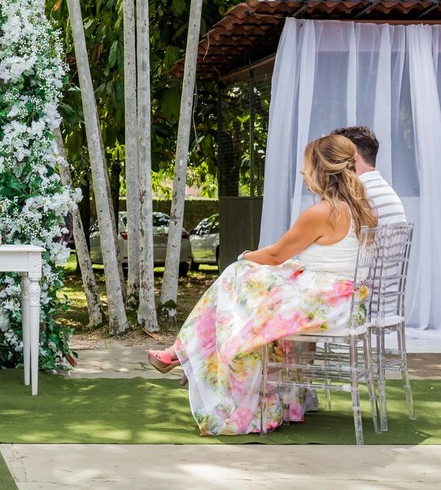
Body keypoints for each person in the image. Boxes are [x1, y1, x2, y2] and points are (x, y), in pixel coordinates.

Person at [146, 134, 378, 436]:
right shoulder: (361, 207)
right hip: (344, 301)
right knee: (250, 297)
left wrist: (244, 256)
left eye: (307, 164)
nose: (302, 171)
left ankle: (186, 351)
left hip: (328, 305)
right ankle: (185, 351)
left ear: (322, 169)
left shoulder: (323, 212)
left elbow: (276, 254)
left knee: (238, 274)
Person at [331, 125, 408, 226]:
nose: (332, 164)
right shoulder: (384, 190)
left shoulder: (355, 194)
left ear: (353, 155)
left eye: (336, 156)